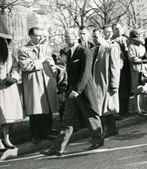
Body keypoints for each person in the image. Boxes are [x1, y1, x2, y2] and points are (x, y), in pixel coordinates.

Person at [43, 28, 104, 156]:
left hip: (83, 91)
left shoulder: (84, 52)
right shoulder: (69, 52)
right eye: (65, 36)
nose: (66, 39)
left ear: (76, 37)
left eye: (68, 36)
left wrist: (77, 90)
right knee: (67, 119)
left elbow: (85, 73)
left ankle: (98, 140)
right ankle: (57, 148)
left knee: (90, 116)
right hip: (71, 92)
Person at [18, 26, 59, 144]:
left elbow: (50, 60)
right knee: (35, 108)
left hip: (46, 79)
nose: (40, 38)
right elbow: (25, 66)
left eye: (41, 35)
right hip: (34, 82)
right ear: (30, 36)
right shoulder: (23, 49)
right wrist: (40, 61)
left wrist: (53, 67)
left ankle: (47, 132)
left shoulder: (45, 47)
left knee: (48, 106)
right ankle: (36, 135)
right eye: (37, 35)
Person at [90, 29, 121, 138]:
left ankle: (102, 132)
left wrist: (114, 85)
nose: (94, 39)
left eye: (96, 37)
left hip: (106, 83)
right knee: (103, 108)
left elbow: (114, 67)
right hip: (96, 83)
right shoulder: (93, 50)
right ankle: (111, 130)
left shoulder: (109, 49)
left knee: (106, 107)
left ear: (103, 36)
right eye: (93, 37)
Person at [0, 22, 22, 150]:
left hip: (9, 89)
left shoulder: (10, 55)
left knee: (7, 116)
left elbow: (16, 67)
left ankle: (7, 138)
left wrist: (14, 77)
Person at [128, 29, 147, 115]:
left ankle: (141, 107)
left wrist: (145, 60)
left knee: (142, 90)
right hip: (136, 69)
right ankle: (137, 108)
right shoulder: (131, 46)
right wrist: (141, 61)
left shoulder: (142, 46)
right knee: (137, 90)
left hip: (144, 69)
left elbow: (146, 57)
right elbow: (132, 58)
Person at [112, 23, 131, 116]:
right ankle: (120, 109)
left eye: (120, 28)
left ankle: (126, 108)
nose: (118, 30)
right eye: (116, 29)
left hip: (127, 67)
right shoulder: (112, 42)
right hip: (118, 68)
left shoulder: (127, 40)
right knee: (120, 88)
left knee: (127, 87)